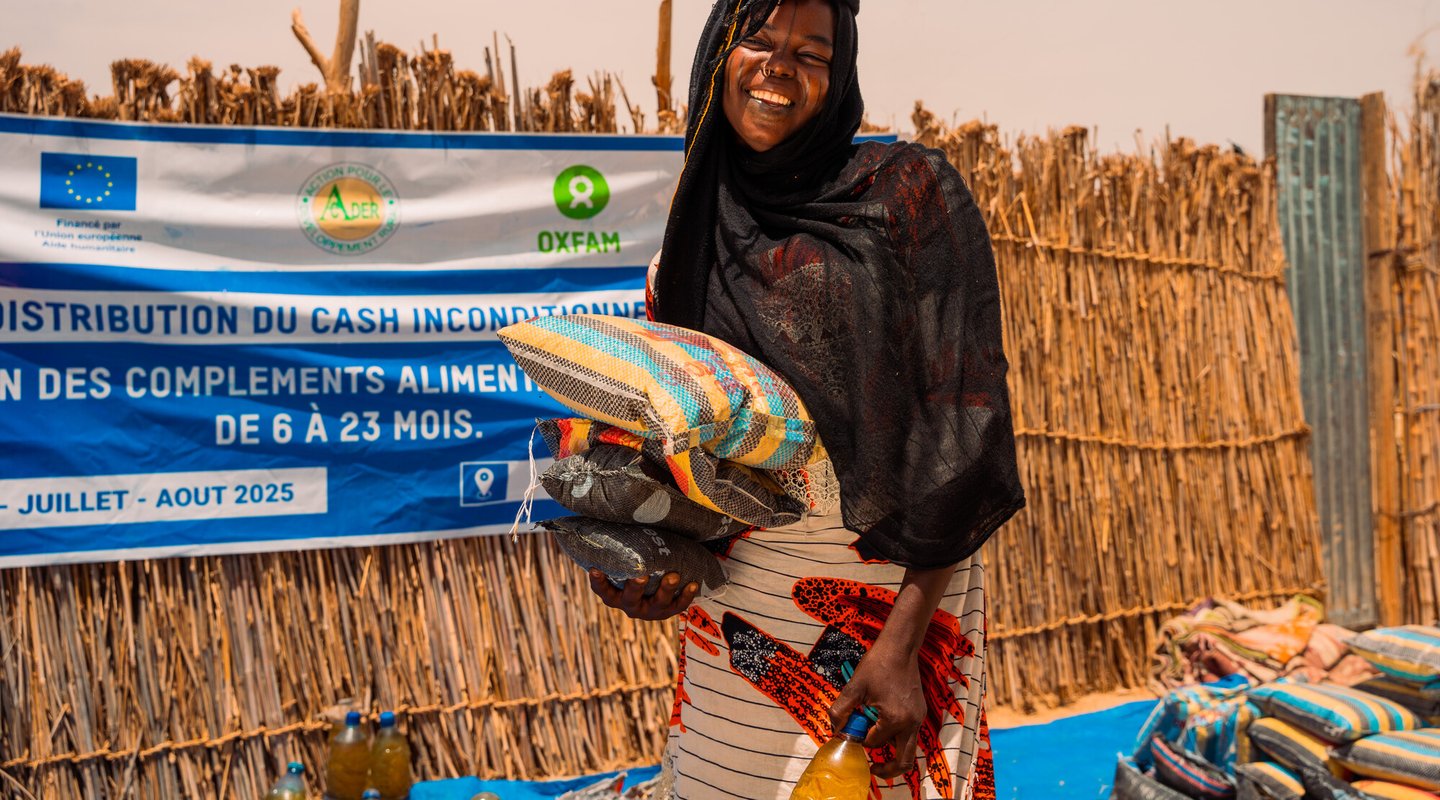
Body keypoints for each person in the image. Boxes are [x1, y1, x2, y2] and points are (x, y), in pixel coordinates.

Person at [587, 0, 1025, 797]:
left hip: (887, 617)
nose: (779, 65)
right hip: (736, 623)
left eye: (813, 52)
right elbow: (681, 460)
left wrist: (898, 649)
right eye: (758, 38)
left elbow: (961, 442)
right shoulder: (686, 244)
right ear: (719, 52)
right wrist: (645, 569)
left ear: (843, 70)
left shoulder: (906, 199)